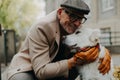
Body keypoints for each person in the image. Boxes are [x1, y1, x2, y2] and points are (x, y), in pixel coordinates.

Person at [7, 0, 111, 80]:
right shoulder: (42, 27)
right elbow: (41, 71)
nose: (77, 23)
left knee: (77, 66)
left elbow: (90, 39)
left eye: (80, 19)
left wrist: (103, 52)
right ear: (60, 12)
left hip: (53, 63)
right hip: (29, 68)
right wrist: (74, 61)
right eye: (73, 16)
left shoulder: (75, 25)